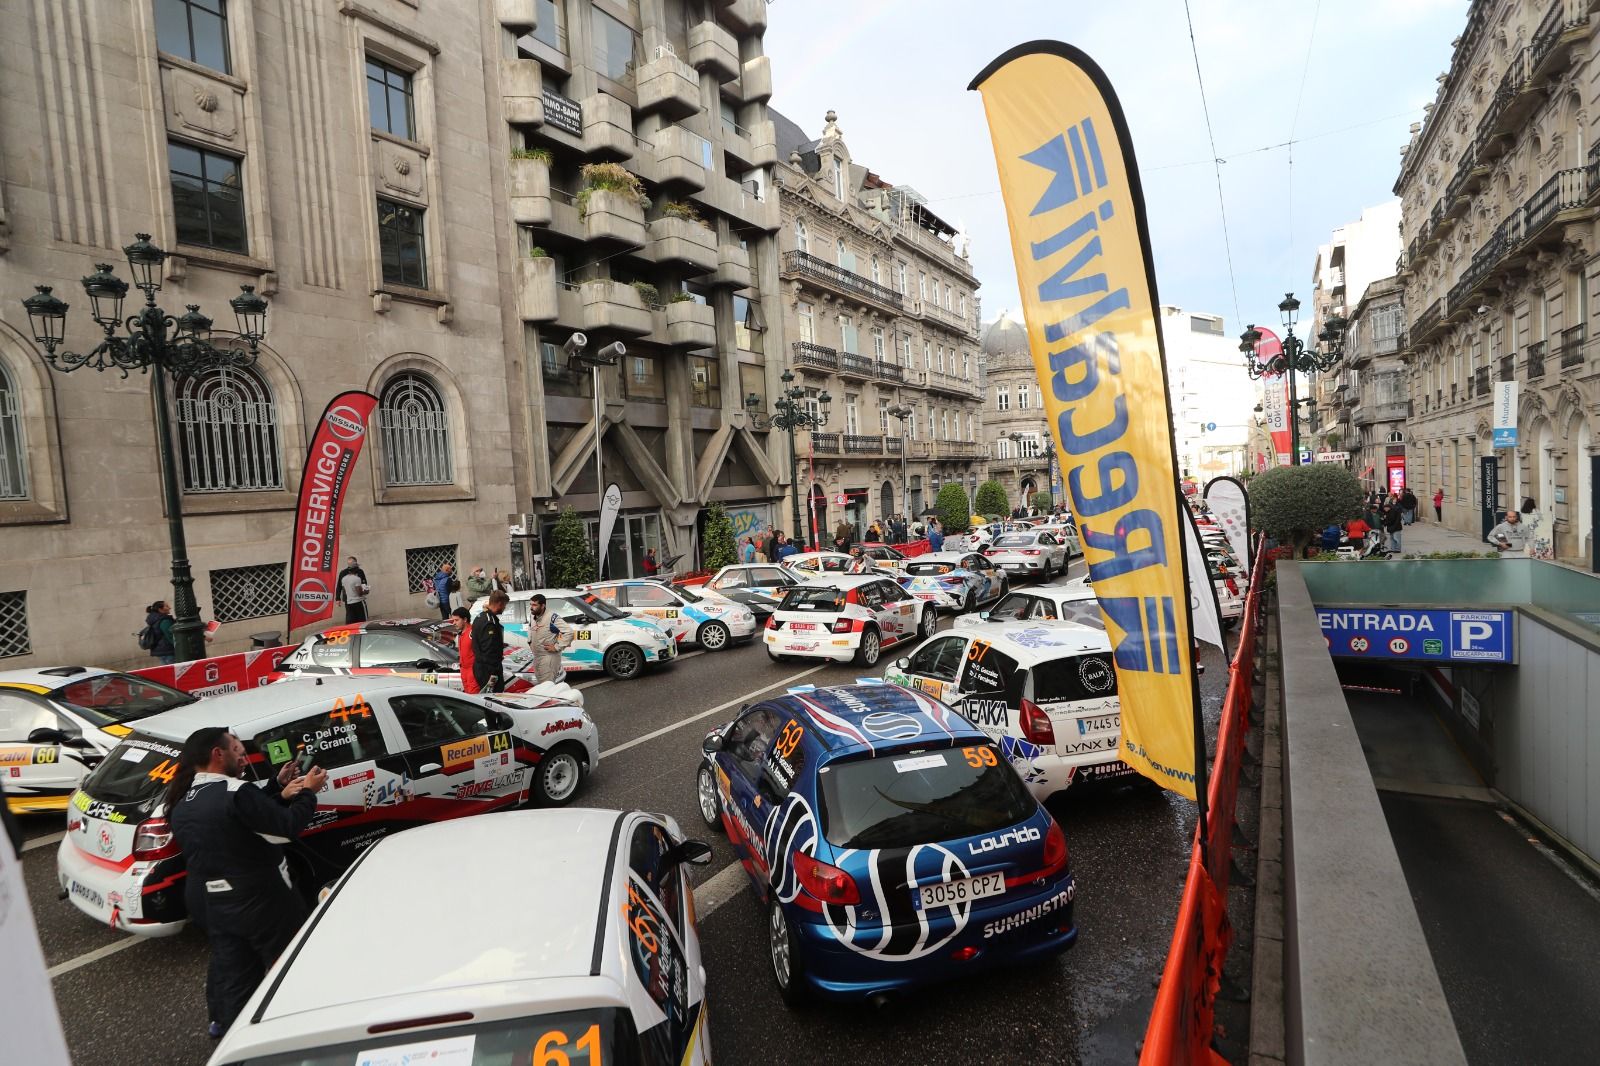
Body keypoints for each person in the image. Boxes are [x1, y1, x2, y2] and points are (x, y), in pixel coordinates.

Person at [166, 726, 325, 1037]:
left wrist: (275, 789)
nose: (243, 760)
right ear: (217, 753)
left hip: (217, 907)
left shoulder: (182, 800)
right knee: (291, 964)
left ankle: (230, 1034)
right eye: (238, 752)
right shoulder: (237, 793)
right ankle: (304, 1030)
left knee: (235, 974)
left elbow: (237, 823)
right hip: (263, 902)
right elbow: (284, 828)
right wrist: (308, 791)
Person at [527, 593, 573, 685]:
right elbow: (531, 629)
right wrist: (530, 642)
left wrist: (557, 647)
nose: (531, 607)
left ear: (543, 606)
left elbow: (569, 632)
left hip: (549, 658)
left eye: (534, 605)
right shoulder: (532, 615)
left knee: (547, 687)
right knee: (541, 686)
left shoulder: (552, 617)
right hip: (537, 656)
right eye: (531, 604)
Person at [471, 589, 508, 692]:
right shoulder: (489, 622)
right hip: (487, 670)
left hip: (481, 667)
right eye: (504, 605)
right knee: (493, 700)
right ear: (499, 603)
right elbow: (489, 650)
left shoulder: (480, 617)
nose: (504, 608)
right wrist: (494, 671)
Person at [447, 607, 478, 693]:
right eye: (453, 620)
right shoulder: (460, 634)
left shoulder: (473, 632)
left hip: (473, 672)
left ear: (465, 619)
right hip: (464, 671)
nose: (454, 623)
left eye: (456, 620)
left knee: (474, 699)